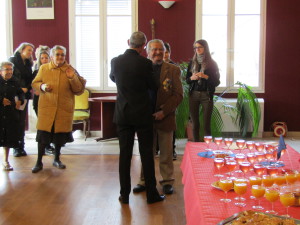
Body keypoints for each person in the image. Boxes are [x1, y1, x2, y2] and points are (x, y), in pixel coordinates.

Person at [110, 31, 165, 204]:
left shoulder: (115, 61)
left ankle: (124, 195)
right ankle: (151, 195)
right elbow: (154, 86)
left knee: (124, 155)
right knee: (146, 154)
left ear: (128, 42)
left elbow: (113, 77)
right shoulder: (145, 63)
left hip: (123, 114)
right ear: (143, 46)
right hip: (142, 114)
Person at [133, 39, 183, 195]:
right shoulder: (141, 67)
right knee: (146, 152)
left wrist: (164, 111)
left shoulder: (173, 70)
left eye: (160, 49)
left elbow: (178, 95)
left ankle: (167, 181)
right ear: (147, 51)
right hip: (145, 118)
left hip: (165, 118)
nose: (158, 52)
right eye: (154, 49)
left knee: (166, 153)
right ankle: (144, 180)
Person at [31, 45, 86, 173]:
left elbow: (79, 90)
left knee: (59, 137)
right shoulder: (44, 68)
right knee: (43, 136)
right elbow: (35, 83)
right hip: (47, 108)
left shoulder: (70, 69)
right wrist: (43, 86)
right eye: (57, 54)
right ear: (51, 56)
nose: (60, 57)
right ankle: (39, 161)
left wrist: (72, 77)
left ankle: (57, 159)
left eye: (62, 55)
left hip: (63, 109)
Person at [186, 39, 220, 142]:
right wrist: (192, 78)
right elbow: (187, 80)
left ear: (205, 48)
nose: (197, 49)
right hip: (194, 95)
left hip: (207, 95)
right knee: (195, 123)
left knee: (206, 124)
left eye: (199, 47)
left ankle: (207, 147)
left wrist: (205, 76)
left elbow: (217, 82)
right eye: (195, 47)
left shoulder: (212, 64)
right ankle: (196, 145)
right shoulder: (192, 63)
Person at [8, 42, 35, 157]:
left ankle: (21, 146)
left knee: (21, 121)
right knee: (15, 121)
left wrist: (27, 88)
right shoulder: (13, 60)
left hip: (24, 94)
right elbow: (11, 76)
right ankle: (15, 147)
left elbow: (29, 79)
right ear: (21, 50)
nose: (30, 53)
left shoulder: (29, 63)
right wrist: (20, 88)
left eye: (31, 51)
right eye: (28, 50)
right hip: (15, 93)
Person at [0, 61, 24, 170]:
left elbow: (20, 93)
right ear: (1, 71)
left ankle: (5, 161)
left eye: (11, 69)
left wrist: (20, 100)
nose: (9, 72)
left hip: (10, 112)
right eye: (6, 69)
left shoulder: (15, 81)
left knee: (7, 137)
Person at [32, 46, 55, 155]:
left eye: (46, 58)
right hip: (39, 101)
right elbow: (33, 86)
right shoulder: (36, 71)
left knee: (51, 123)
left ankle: (49, 144)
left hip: (50, 100)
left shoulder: (53, 71)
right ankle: (44, 146)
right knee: (43, 124)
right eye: (42, 58)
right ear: (39, 59)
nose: (44, 60)